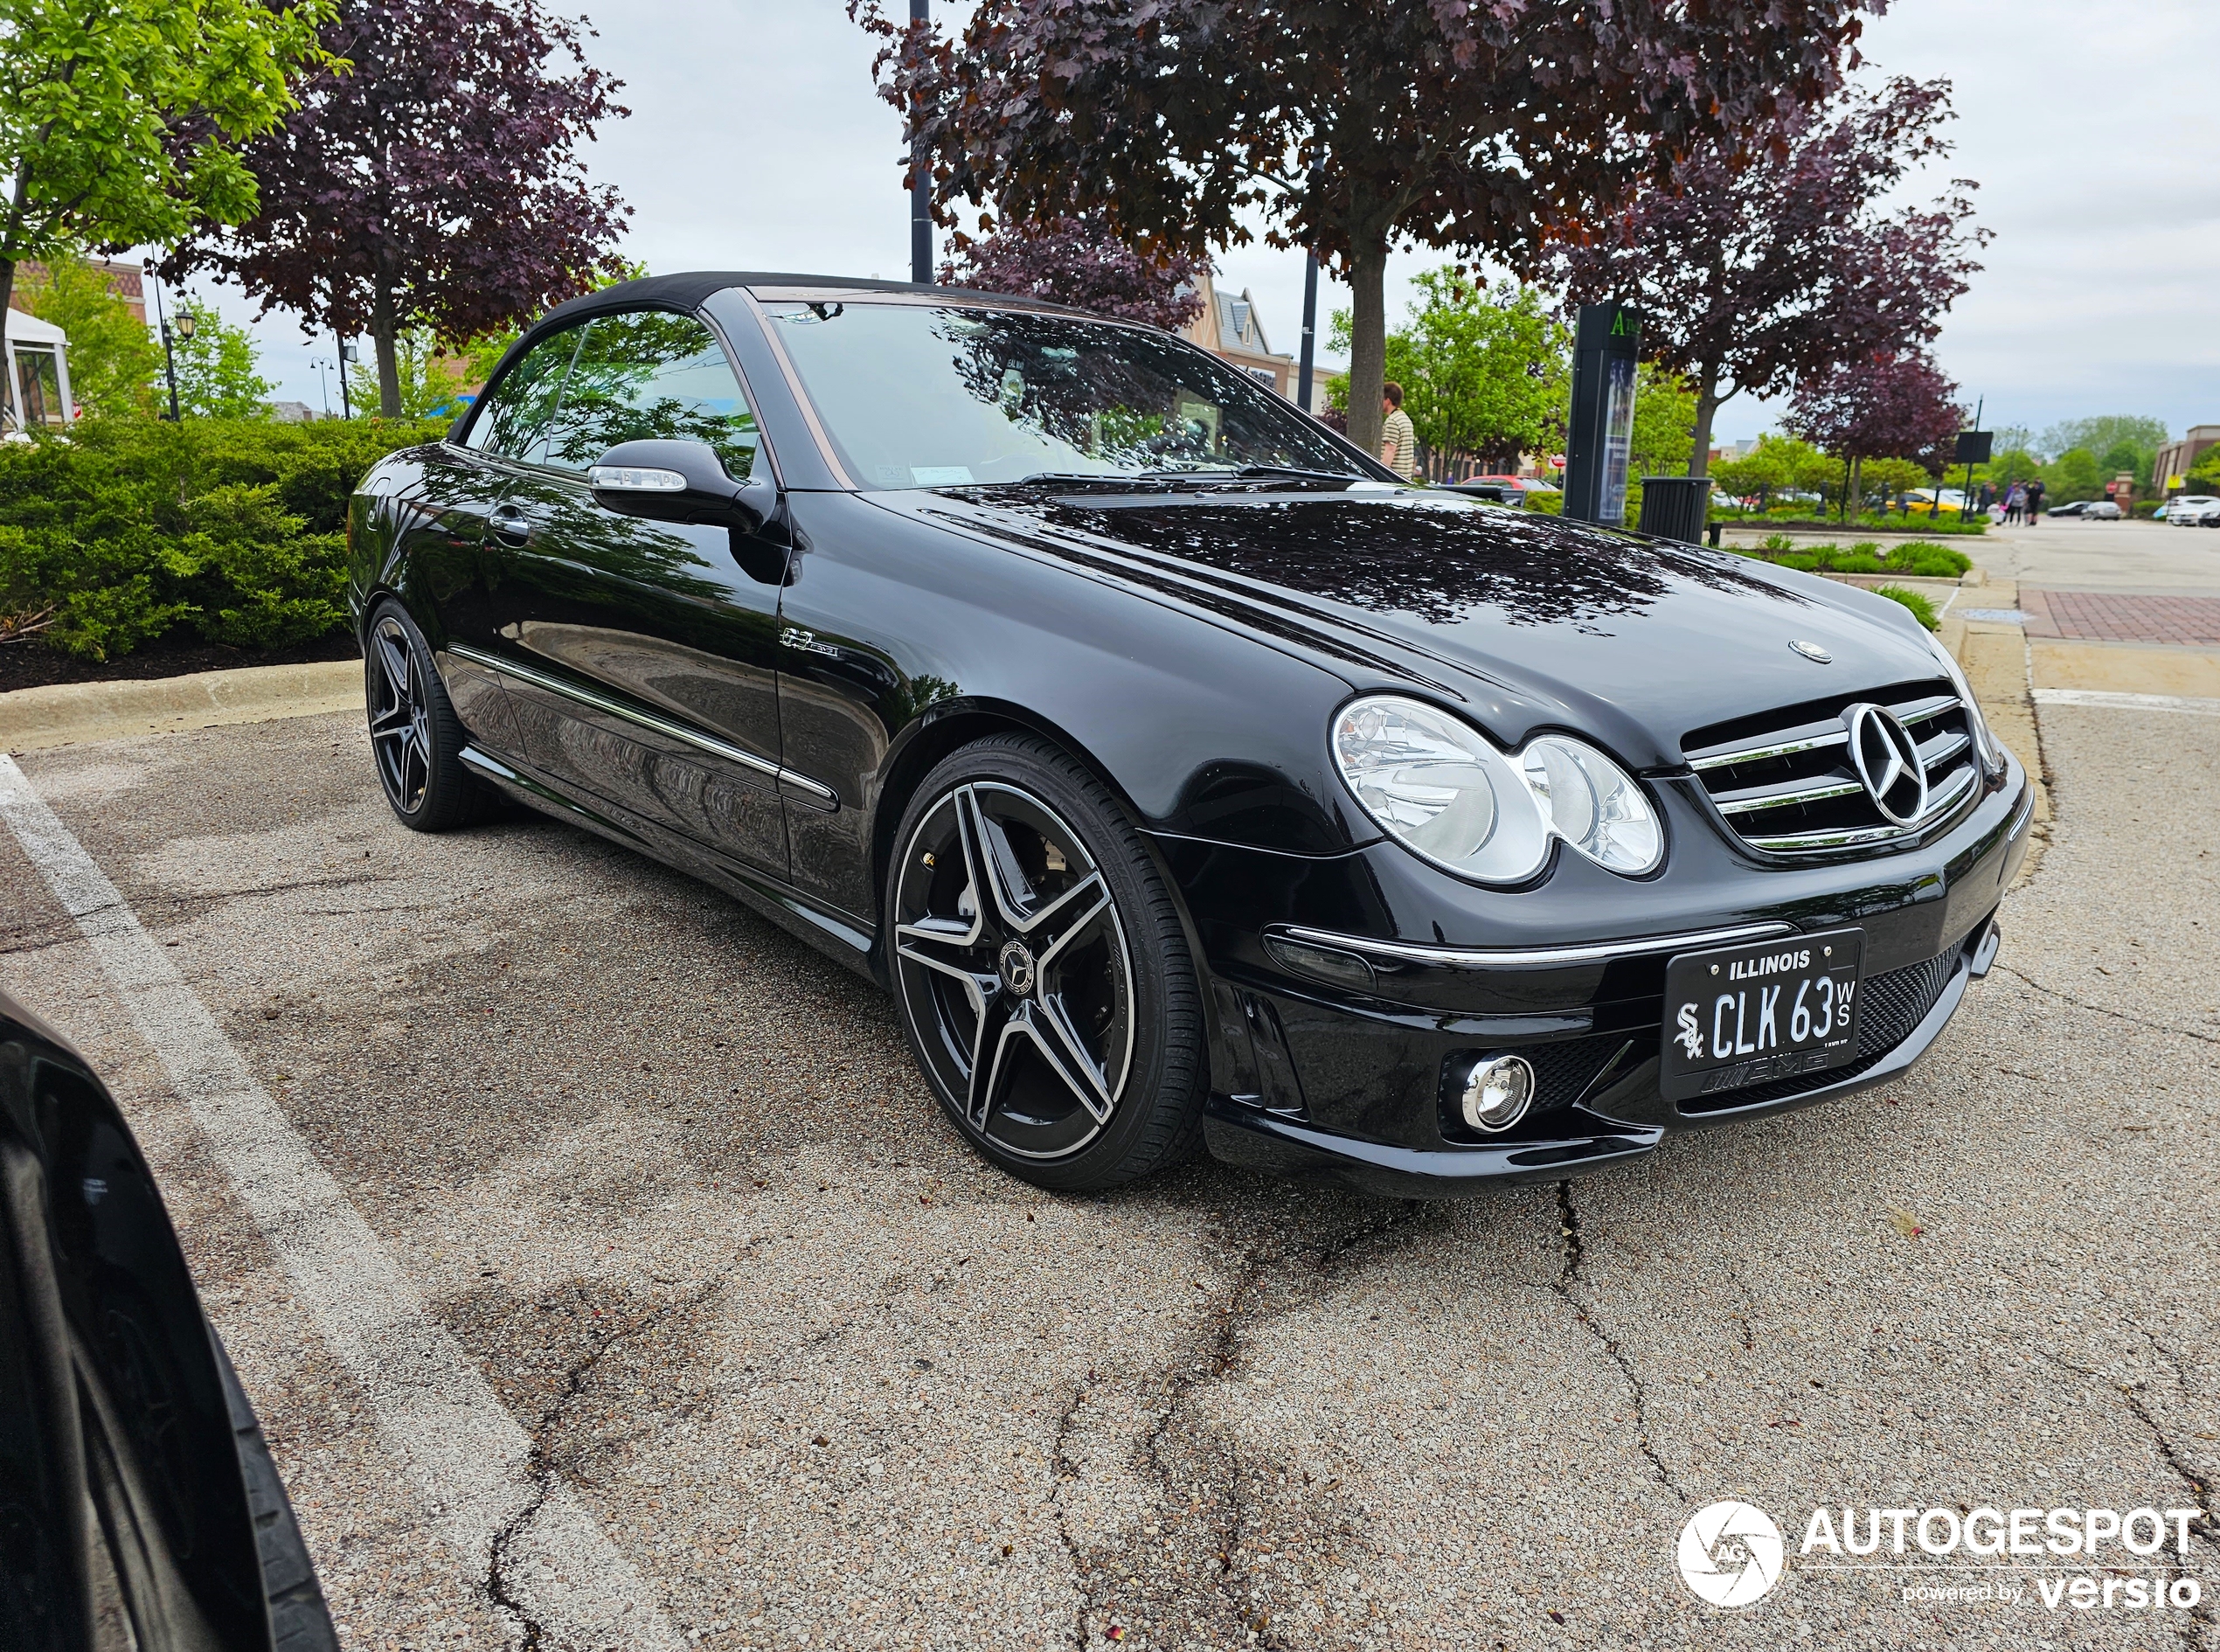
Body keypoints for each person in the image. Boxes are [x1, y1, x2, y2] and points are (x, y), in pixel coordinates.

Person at [1379, 382, 1417, 482]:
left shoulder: (1393, 421)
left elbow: (1390, 450)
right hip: (1404, 479)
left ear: (1387, 401)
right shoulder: (1405, 419)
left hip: (1391, 480)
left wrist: (1380, 474)